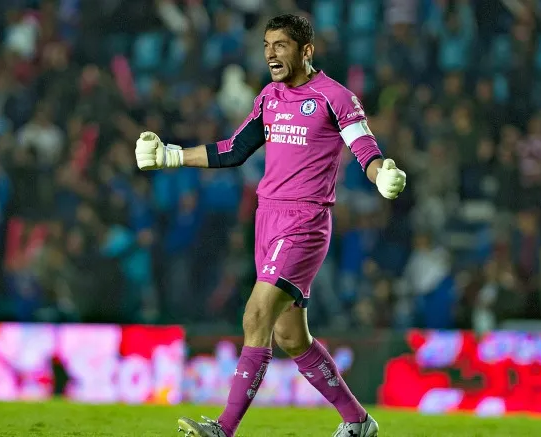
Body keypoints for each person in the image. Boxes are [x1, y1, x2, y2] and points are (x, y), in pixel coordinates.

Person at [135, 14, 406, 437]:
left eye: (280, 45)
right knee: (292, 338)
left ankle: (223, 429)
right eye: (266, 46)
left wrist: (380, 174)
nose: (270, 54)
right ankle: (358, 422)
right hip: (267, 219)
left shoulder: (336, 97)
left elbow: (363, 147)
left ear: (306, 50)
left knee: (255, 313)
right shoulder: (270, 96)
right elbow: (233, 149)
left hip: (305, 222)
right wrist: (171, 155)